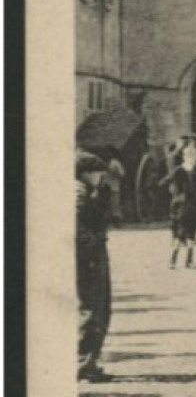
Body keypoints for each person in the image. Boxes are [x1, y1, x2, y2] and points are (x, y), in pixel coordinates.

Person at [76, 150, 116, 383]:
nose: (102, 177)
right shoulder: (78, 194)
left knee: (91, 307)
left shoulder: (85, 191)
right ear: (88, 173)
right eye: (98, 173)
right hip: (89, 258)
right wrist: (91, 249)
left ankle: (86, 361)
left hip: (89, 255)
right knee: (93, 307)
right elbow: (77, 228)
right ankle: (84, 362)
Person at [160, 140, 196, 270]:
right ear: (187, 157)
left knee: (190, 233)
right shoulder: (181, 170)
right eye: (194, 157)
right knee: (182, 233)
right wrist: (176, 193)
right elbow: (164, 182)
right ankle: (173, 260)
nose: (195, 159)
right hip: (183, 206)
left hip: (190, 205)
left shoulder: (193, 171)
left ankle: (188, 260)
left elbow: (165, 182)